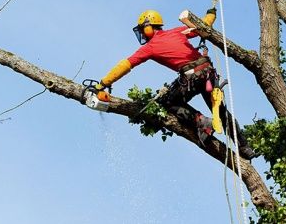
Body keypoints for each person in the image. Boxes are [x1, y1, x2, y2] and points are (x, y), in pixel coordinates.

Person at [96, 9, 256, 159]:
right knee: (221, 111)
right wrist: (211, 13)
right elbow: (204, 24)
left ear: (148, 28)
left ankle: (201, 121)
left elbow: (126, 64)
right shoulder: (177, 31)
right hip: (208, 73)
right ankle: (244, 147)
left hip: (192, 76)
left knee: (167, 102)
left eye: (142, 30)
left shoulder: (150, 47)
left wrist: (103, 83)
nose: (143, 36)